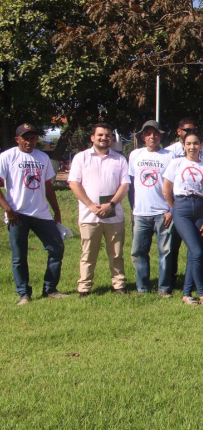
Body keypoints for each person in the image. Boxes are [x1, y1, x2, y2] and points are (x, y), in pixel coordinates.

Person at [0, 123, 66, 305]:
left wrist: (57, 212)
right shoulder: (7, 157)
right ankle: (24, 294)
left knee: (56, 248)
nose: (29, 141)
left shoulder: (42, 157)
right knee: (19, 256)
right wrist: (7, 209)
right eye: (25, 138)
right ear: (17, 139)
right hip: (17, 214)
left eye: (32, 138)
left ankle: (50, 289)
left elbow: (48, 187)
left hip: (41, 213)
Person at [68, 122, 131, 298]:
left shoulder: (120, 159)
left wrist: (111, 204)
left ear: (112, 138)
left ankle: (119, 285)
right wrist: (90, 205)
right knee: (88, 254)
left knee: (117, 253)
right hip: (89, 215)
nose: (104, 138)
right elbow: (74, 183)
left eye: (108, 135)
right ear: (92, 137)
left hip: (114, 215)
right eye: (100, 135)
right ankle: (84, 288)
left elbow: (124, 185)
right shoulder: (81, 158)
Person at [163, 129, 203, 306]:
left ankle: (187, 294)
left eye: (196, 143)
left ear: (201, 145)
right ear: (183, 146)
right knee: (197, 252)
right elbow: (166, 189)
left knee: (195, 252)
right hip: (182, 208)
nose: (192, 147)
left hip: (199, 209)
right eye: (189, 144)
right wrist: (175, 208)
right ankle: (202, 294)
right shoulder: (176, 163)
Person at [127, 120, 174, 297]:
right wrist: (133, 208)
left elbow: (173, 185)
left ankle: (164, 288)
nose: (152, 136)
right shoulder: (134, 155)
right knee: (138, 252)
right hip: (140, 213)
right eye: (148, 133)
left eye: (155, 133)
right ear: (142, 137)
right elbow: (131, 184)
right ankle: (142, 288)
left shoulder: (169, 156)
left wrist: (171, 209)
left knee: (165, 253)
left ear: (160, 136)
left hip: (163, 213)